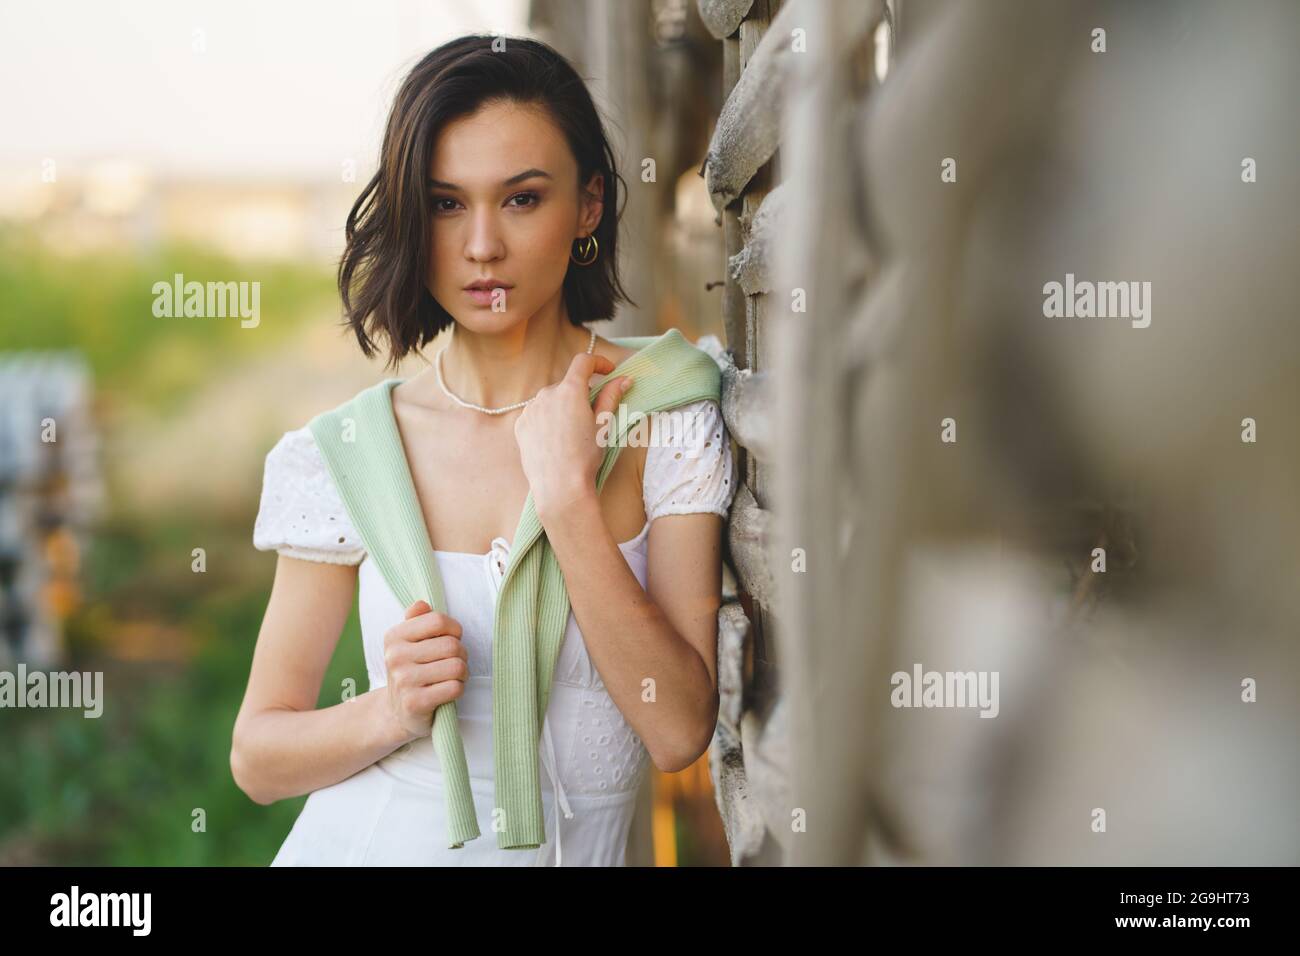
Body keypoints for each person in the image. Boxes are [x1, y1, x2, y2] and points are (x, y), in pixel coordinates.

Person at [229, 34, 737, 865]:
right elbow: (258, 757)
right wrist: (390, 708)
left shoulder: (667, 412)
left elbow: (678, 727)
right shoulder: (349, 453)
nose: (481, 247)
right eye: (445, 203)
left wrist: (569, 502)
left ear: (589, 206)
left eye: (522, 199)